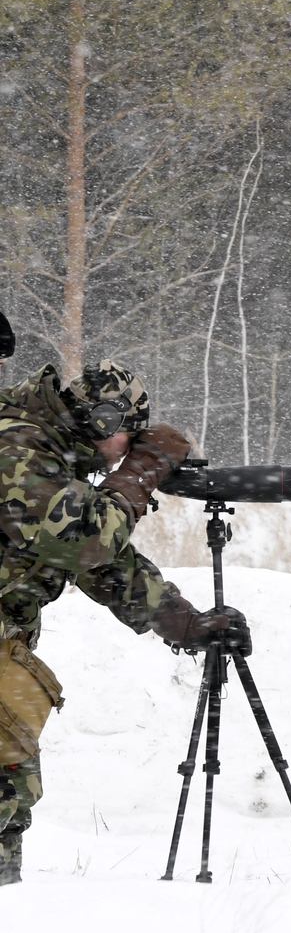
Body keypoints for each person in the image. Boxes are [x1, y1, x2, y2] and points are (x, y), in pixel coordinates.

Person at [0, 360, 248, 885]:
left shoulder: (42, 447)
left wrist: (183, 622)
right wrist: (140, 473)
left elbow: (96, 559)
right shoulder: (18, 446)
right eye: (128, 437)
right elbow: (84, 541)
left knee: (8, 792)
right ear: (104, 421)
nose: (127, 450)